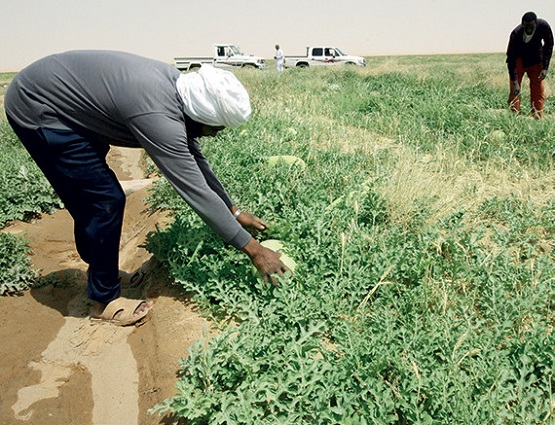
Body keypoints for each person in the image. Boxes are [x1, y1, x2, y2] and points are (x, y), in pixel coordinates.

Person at [4, 50, 289, 326]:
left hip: (65, 101)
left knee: (92, 193)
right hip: (40, 107)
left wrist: (233, 210)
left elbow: (195, 160)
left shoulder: (180, 92)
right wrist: (254, 250)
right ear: (198, 116)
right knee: (103, 199)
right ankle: (103, 301)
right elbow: (195, 190)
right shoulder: (158, 115)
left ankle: (102, 271)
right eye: (215, 128)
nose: (215, 134)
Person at [506, 11, 554, 118]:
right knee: (514, 90)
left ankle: (537, 117)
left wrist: (545, 67)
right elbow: (511, 58)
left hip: (536, 60)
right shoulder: (516, 33)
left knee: (538, 90)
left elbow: (549, 45)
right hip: (519, 60)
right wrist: (515, 81)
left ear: (536, 24)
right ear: (522, 24)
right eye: (526, 26)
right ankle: (514, 118)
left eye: (531, 27)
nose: (529, 29)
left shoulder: (543, 26)